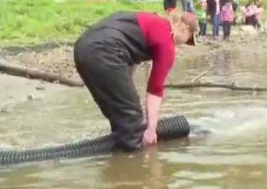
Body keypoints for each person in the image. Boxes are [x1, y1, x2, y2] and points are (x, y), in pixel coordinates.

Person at [73, 10, 199, 151]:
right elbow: (155, 89)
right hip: (105, 51)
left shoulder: (152, 21)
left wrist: (127, 94)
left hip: (82, 48)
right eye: (188, 39)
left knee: (121, 114)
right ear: (186, 29)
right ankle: (134, 164)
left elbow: (130, 62)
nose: (183, 44)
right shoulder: (166, 43)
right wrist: (151, 129)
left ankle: (119, 150)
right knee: (132, 123)